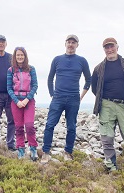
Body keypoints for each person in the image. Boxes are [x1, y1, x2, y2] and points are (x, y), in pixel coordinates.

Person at [91, 37, 124, 175]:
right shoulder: (98, 68)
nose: (109, 49)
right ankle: (111, 167)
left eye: (111, 46)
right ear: (104, 50)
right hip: (105, 105)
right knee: (107, 139)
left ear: (117, 47)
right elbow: (94, 88)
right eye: (106, 47)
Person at [41, 35, 91, 163]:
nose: (71, 44)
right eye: (69, 42)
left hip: (74, 98)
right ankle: (46, 152)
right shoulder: (57, 59)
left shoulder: (82, 61)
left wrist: (81, 97)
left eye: (73, 42)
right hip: (58, 97)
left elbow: (88, 80)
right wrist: (52, 94)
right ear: (65, 44)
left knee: (72, 127)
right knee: (49, 125)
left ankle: (68, 152)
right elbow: (50, 78)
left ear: (77, 45)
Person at [7, 47, 38, 160]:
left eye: (22, 55)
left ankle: (33, 148)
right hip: (16, 102)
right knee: (19, 127)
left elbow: (35, 86)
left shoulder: (31, 69)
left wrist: (26, 99)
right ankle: (20, 148)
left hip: (28, 101)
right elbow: (9, 88)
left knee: (29, 125)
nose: (20, 57)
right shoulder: (11, 70)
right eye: (18, 55)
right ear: (15, 57)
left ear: (25, 56)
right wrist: (16, 101)